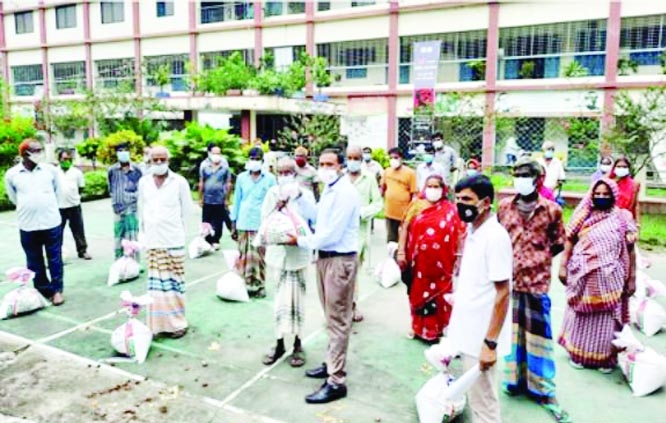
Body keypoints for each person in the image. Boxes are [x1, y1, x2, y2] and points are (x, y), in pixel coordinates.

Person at [497, 159, 570, 423]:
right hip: (509, 281)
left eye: (526, 175)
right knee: (513, 334)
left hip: (537, 282)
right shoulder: (505, 207)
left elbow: (559, 242)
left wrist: (536, 259)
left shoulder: (552, 210)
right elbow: (498, 240)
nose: (521, 179)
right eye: (517, 174)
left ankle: (542, 388)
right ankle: (514, 380)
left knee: (539, 335)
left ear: (539, 179)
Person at [286, 149, 360, 404]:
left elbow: (331, 234)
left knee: (338, 320)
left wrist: (300, 240)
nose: (325, 168)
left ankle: (336, 380)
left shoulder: (346, 192)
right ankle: (331, 364)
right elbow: (318, 216)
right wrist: (300, 197)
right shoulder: (330, 189)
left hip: (339, 260)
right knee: (330, 317)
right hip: (325, 258)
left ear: (341, 166)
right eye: (322, 163)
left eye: (331, 164)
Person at [448, 174, 512, 423]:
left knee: (484, 403)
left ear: (485, 202)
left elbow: (503, 292)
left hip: (482, 337)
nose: (460, 204)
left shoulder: (494, 237)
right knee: (476, 398)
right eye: (458, 198)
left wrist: (490, 343)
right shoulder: (474, 230)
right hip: (469, 329)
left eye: (467, 199)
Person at [558, 178, 637, 372]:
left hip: (611, 278)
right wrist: (563, 266)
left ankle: (605, 359)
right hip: (582, 276)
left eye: (606, 194)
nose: (601, 197)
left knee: (606, 320)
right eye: (598, 194)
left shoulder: (622, 217)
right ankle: (577, 354)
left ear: (613, 195)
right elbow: (569, 241)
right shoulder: (583, 215)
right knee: (581, 315)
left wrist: (632, 277)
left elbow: (631, 248)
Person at [260, 157, 316, 368]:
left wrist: (298, 197)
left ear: (296, 173)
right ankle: (279, 342)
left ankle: (298, 344)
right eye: (281, 172)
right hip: (278, 257)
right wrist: (277, 207)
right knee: (279, 303)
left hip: (299, 257)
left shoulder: (305, 194)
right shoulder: (271, 194)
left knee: (298, 302)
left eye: (288, 171)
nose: (285, 175)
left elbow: (313, 218)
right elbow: (265, 220)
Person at [397, 175, 463, 343]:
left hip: (442, 265)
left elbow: (459, 235)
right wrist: (401, 252)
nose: (433, 190)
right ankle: (418, 328)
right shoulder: (416, 206)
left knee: (441, 297)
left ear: (443, 189)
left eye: (436, 186)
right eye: (430, 186)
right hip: (418, 264)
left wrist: (459, 259)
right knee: (418, 293)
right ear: (424, 188)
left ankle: (438, 330)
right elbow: (404, 228)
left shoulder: (451, 209)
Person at [138, 146, 193, 338]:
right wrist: (142, 235)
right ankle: (157, 325)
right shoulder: (144, 182)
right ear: (150, 161)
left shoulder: (179, 182)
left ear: (168, 160)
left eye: (162, 159)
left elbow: (187, 212)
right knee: (156, 286)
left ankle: (178, 324)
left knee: (174, 284)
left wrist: (182, 236)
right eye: (155, 160)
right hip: (153, 241)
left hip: (173, 240)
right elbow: (141, 210)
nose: (159, 163)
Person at [5, 139, 65, 305]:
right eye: (36, 150)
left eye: (40, 150)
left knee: (55, 258)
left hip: (51, 222)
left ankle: (57, 290)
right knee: (34, 260)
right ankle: (43, 290)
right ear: (25, 154)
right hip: (28, 225)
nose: (40, 153)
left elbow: (57, 192)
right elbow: (13, 197)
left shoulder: (50, 171)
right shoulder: (12, 174)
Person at [231, 147, 277, 298]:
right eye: (252, 158)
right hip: (243, 221)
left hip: (260, 222)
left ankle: (259, 285)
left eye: (257, 158)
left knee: (259, 256)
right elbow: (237, 200)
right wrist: (233, 222)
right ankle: (244, 284)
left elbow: (273, 201)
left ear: (262, 161)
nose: (254, 161)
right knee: (243, 255)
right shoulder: (241, 178)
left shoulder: (269, 179)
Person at [345, 145, 383, 323]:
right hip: (339, 233)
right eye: (349, 158)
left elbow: (377, 203)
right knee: (339, 272)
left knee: (353, 272)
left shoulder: (369, 179)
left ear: (361, 160)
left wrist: (362, 212)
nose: (352, 162)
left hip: (358, 234)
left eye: (355, 158)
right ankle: (339, 307)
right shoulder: (340, 177)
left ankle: (353, 305)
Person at [108, 143, 143, 261]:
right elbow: (110, 187)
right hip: (118, 208)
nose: (123, 153)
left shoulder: (136, 170)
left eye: (125, 150)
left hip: (132, 208)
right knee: (119, 235)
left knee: (132, 235)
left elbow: (141, 186)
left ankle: (134, 262)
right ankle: (119, 261)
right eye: (120, 151)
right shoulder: (112, 170)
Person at [57, 149, 91, 260]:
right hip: (59, 207)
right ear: (59, 159)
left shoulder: (76, 172)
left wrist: (74, 197)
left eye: (69, 159)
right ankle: (57, 253)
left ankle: (82, 251)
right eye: (64, 159)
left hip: (74, 206)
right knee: (57, 232)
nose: (67, 161)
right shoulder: (54, 172)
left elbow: (81, 187)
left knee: (78, 230)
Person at [198, 145, 232, 250]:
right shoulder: (204, 165)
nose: (216, 156)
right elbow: (201, 182)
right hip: (207, 198)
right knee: (206, 221)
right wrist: (200, 197)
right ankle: (207, 239)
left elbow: (228, 183)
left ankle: (216, 239)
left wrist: (227, 198)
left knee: (218, 221)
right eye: (214, 153)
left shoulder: (224, 165)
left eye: (218, 153)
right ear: (209, 153)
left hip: (220, 198)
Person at [381, 147, 417, 243]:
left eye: (396, 157)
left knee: (404, 237)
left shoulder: (410, 173)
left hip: (404, 213)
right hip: (390, 211)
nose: (393, 160)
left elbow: (414, 193)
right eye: (391, 158)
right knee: (391, 238)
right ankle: (391, 257)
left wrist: (412, 210)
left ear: (401, 158)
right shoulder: (387, 171)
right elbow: (383, 188)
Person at [612, 156, 640, 222]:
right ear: (614, 168)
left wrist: (637, 223)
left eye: (624, 167)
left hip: (627, 218)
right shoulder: (610, 184)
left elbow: (636, 205)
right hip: (611, 219)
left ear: (628, 168)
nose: (621, 168)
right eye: (618, 166)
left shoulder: (635, 184)